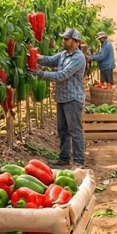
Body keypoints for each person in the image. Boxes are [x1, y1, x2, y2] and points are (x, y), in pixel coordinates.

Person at [33, 28, 87, 167]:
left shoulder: (78, 58)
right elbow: (50, 60)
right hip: (62, 97)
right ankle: (64, 158)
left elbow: (62, 75)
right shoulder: (64, 54)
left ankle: (79, 161)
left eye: (66, 39)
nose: (63, 41)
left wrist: (40, 73)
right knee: (62, 130)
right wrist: (34, 56)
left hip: (73, 98)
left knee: (74, 130)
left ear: (75, 42)